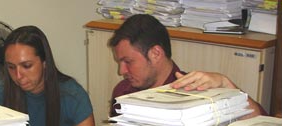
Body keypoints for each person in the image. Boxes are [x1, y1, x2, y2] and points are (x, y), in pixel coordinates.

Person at [109, 14, 267, 118]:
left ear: (155, 54)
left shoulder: (200, 93)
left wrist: (227, 86)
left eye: (128, 62)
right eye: (120, 62)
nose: (121, 71)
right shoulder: (123, 91)